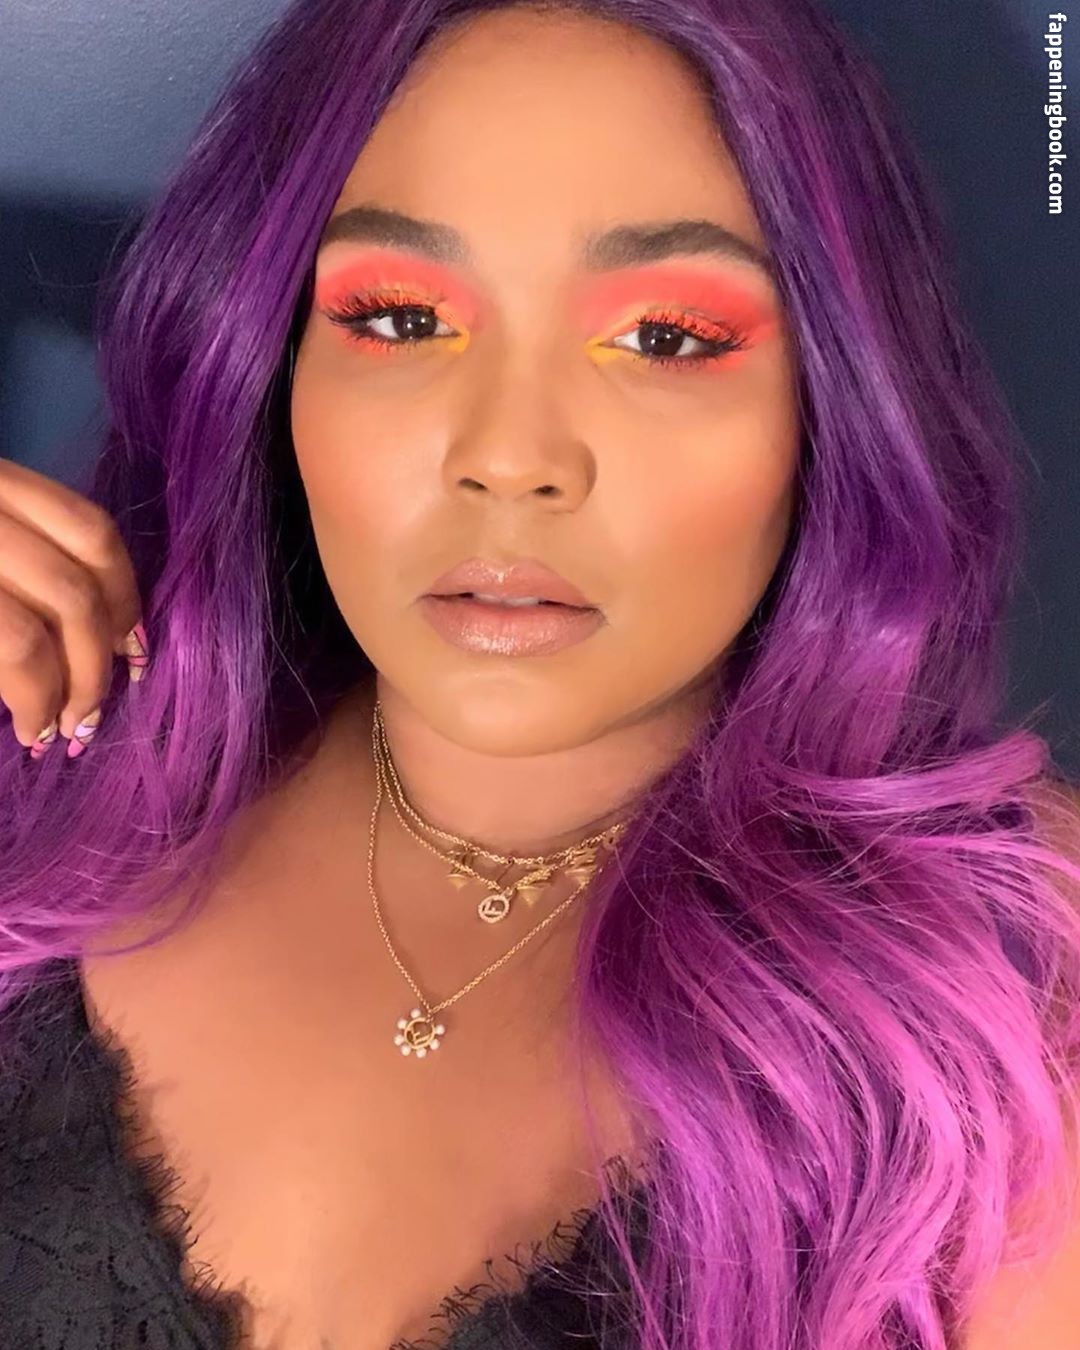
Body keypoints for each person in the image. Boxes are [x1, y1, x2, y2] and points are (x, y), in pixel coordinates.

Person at [1, 0, 1079, 1347]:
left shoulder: (1007, 988)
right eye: (401, 318)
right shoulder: (49, 752)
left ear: (833, 399)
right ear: (273, 362)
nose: (509, 458)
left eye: (666, 338)